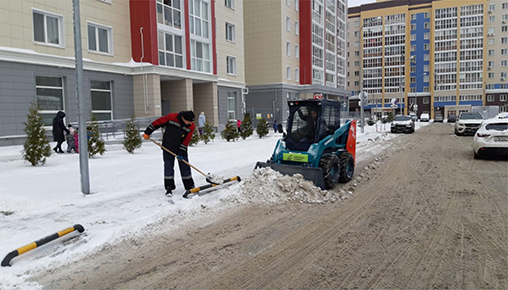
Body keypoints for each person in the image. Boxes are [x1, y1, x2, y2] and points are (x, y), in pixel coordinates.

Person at [143, 111, 196, 197]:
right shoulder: (171, 117)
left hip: (180, 148)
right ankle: (169, 187)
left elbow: (186, 140)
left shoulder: (191, 126)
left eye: (192, 121)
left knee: (185, 165)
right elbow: (157, 123)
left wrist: (182, 152)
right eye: (189, 121)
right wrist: (147, 132)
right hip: (167, 146)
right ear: (183, 118)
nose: (191, 123)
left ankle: (189, 186)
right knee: (168, 166)